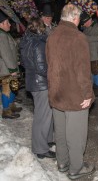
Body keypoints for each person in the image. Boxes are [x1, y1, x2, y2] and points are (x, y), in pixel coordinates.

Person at [46, 3, 95, 179]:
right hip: (74, 95)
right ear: (75, 18)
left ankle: (62, 162)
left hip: (56, 93)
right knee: (76, 134)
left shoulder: (52, 36)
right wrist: (88, 94)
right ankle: (76, 168)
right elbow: (83, 70)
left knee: (60, 131)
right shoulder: (78, 37)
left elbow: (50, 65)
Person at [19, 17, 55, 159]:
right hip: (41, 84)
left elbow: (24, 62)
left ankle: (45, 139)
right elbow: (42, 68)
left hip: (34, 82)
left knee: (45, 114)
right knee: (42, 117)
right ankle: (40, 148)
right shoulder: (38, 43)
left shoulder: (26, 41)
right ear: (40, 28)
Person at [0, 10, 22, 119]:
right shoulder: (1, 35)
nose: (9, 24)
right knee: (7, 88)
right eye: (7, 22)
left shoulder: (5, 34)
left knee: (13, 87)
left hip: (9, 66)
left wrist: (16, 61)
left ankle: (11, 106)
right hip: (6, 68)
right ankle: (6, 111)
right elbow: (5, 53)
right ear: (1, 24)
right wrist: (13, 69)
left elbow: (11, 50)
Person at [81, 12, 98, 97]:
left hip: (94, 54)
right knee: (90, 72)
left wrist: (84, 37)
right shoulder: (86, 27)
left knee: (95, 72)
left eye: (85, 22)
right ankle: (92, 87)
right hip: (87, 54)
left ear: (89, 20)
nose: (84, 24)